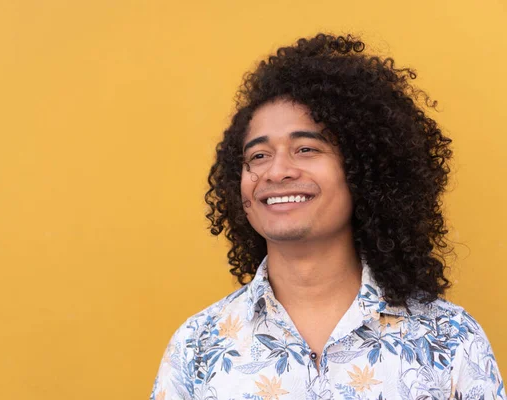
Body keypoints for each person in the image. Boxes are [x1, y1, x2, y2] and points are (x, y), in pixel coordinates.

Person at [150, 34, 505, 400]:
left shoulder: (449, 339)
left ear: (363, 170)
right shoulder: (197, 348)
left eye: (306, 149)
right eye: (258, 156)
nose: (276, 171)